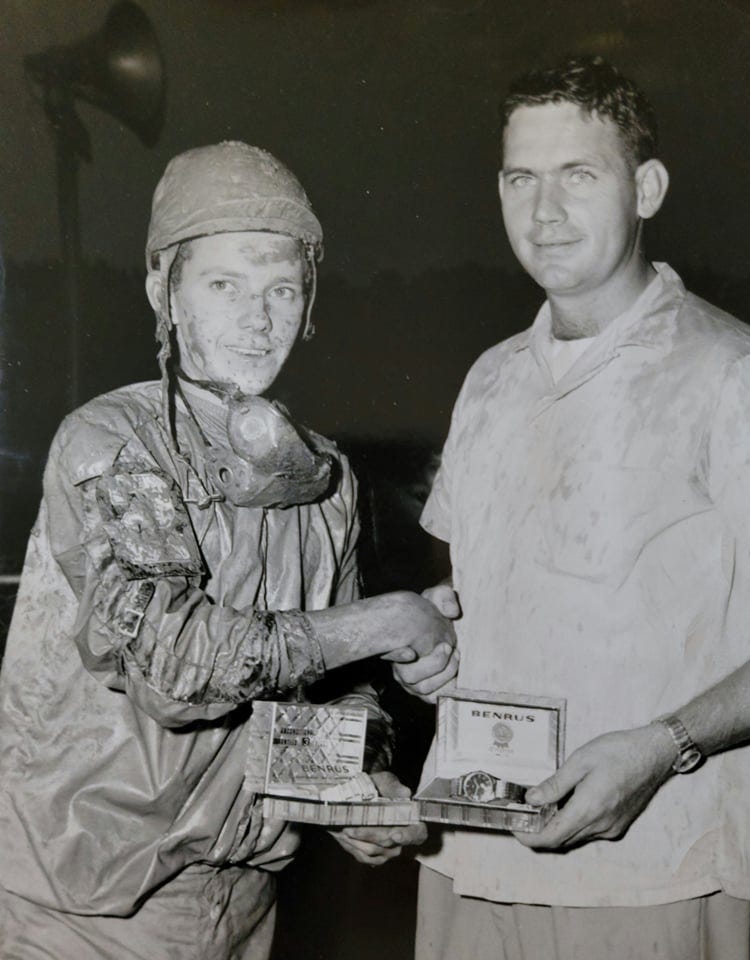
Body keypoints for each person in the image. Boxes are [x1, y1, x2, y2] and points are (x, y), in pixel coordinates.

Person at [0, 141, 457, 959]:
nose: (258, 318)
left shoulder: (323, 477)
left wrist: (353, 789)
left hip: (242, 898)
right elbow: (174, 666)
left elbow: (328, 693)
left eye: (282, 288)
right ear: (163, 292)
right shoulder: (112, 442)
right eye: (224, 285)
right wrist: (388, 619)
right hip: (87, 907)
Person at [397, 56, 750, 960]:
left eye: (577, 176)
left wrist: (663, 745)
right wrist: (434, 648)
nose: (543, 212)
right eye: (521, 178)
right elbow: (469, 599)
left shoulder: (729, 373)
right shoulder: (488, 380)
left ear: (646, 187)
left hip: (646, 863)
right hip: (468, 848)